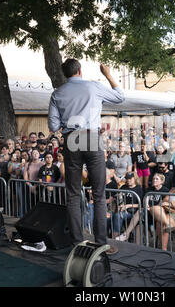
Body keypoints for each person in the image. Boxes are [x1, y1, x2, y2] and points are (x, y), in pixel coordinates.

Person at [48, 59, 124, 254]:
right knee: (98, 194)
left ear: (65, 74)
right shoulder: (93, 86)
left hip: (71, 139)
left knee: (73, 194)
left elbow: (53, 127)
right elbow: (119, 97)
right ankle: (100, 244)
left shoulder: (57, 94)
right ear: (80, 71)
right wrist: (107, 74)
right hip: (91, 137)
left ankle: (77, 244)